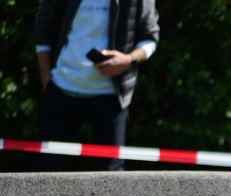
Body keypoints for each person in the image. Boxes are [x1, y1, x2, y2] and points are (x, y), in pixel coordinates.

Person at [34, 0, 160, 171]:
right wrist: (46, 77)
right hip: (61, 89)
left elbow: (150, 37)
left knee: (110, 178)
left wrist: (128, 60)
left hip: (112, 97)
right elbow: (43, 29)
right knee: (49, 172)